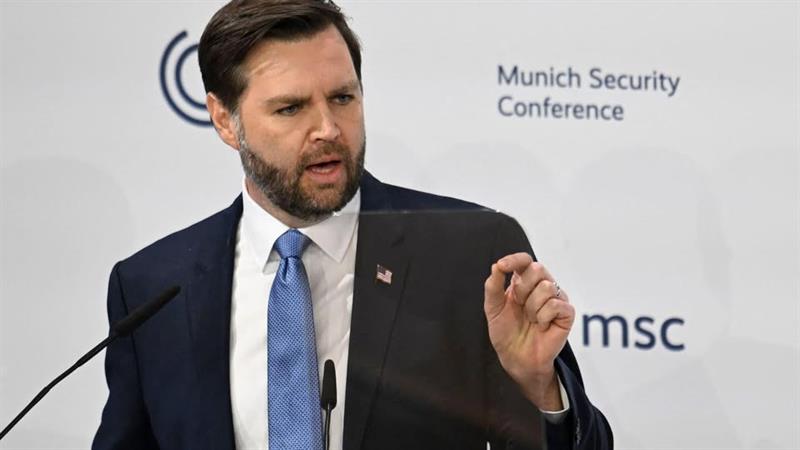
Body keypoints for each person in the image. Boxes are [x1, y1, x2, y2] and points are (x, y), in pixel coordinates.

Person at [93, 1, 612, 449]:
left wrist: (538, 387)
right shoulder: (153, 289)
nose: (327, 129)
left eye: (342, 98)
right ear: (225, 119)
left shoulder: (471, 255)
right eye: (291, 108)